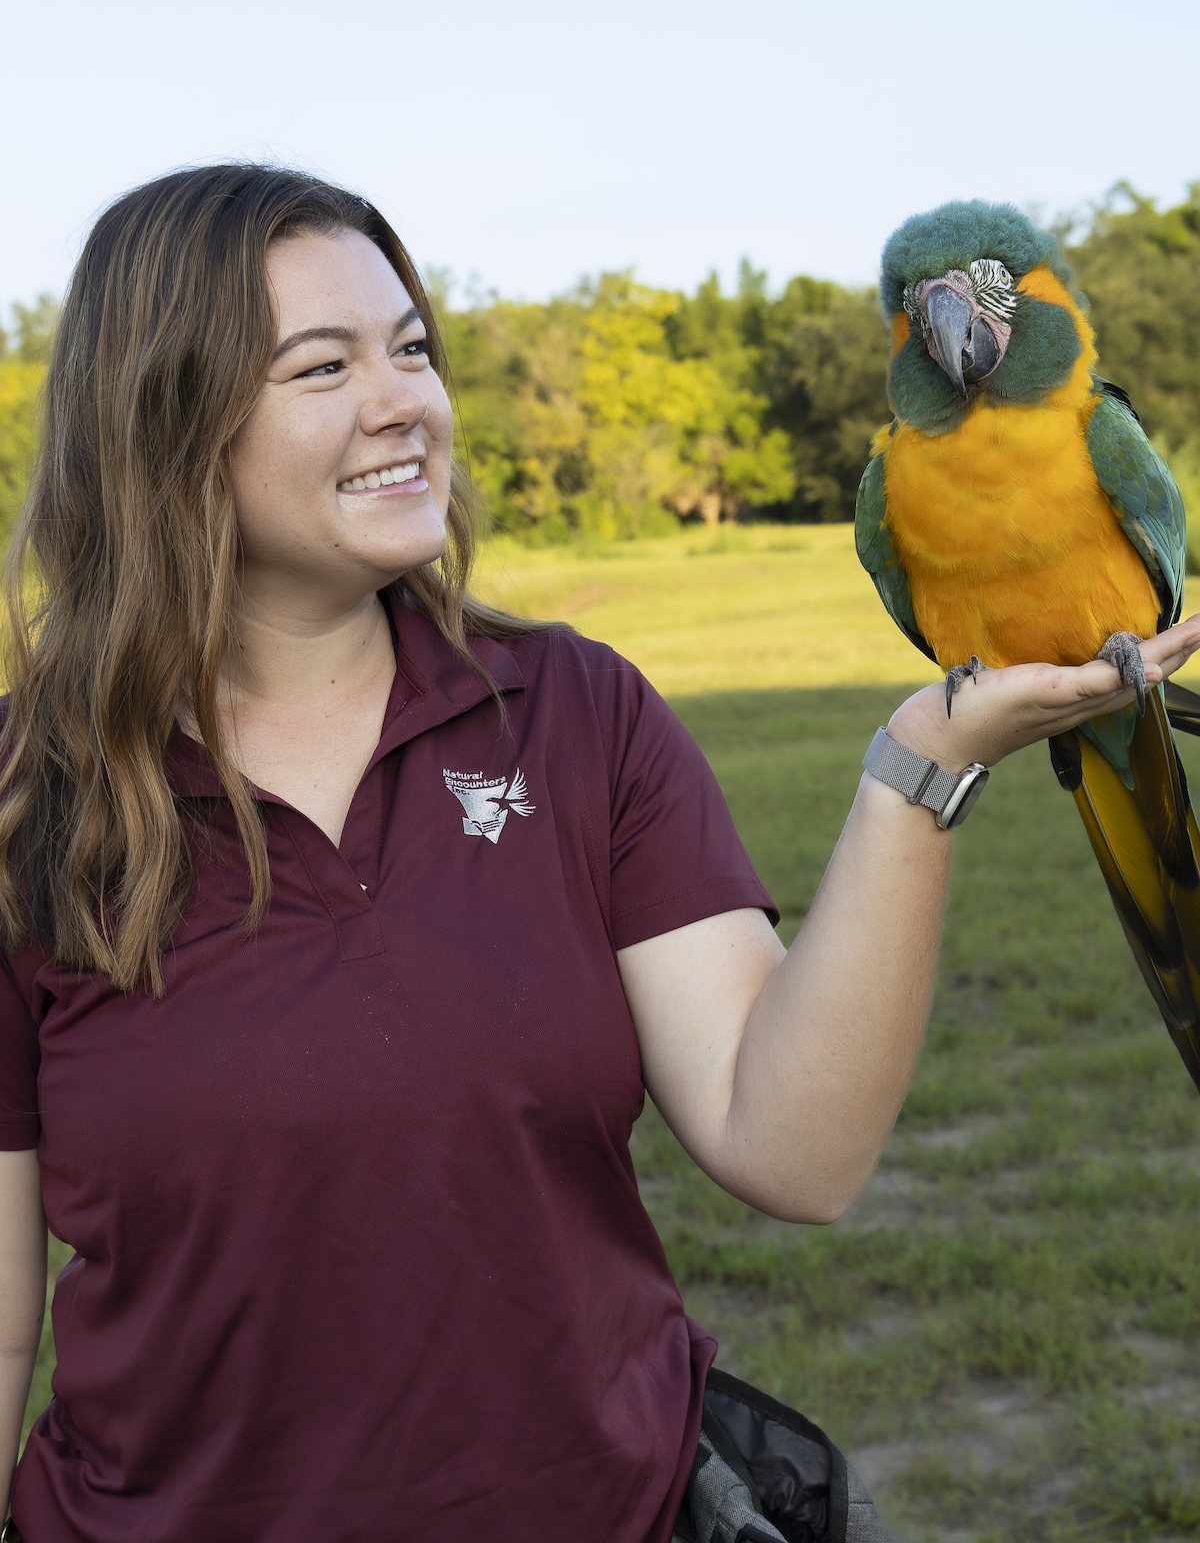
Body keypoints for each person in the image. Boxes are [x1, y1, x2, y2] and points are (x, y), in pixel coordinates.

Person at [1, 166, 1197, 1543]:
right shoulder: (25, 798)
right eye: (324, 366)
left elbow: (793, 1150)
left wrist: (920, 767)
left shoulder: (577, 712)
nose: (404, 402)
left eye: (413, 349)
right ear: (162, 416)